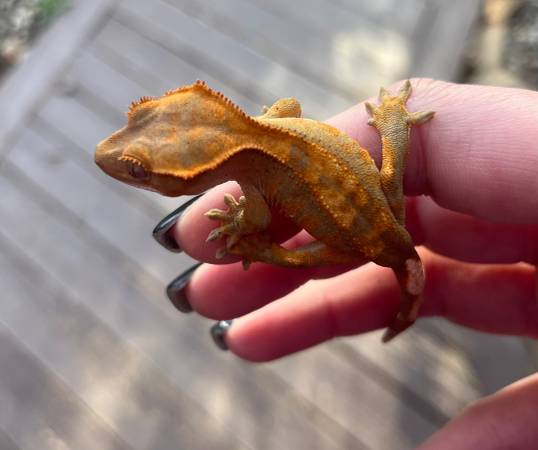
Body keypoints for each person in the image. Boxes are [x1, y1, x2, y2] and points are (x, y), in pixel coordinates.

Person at [154, 78, 538, 449]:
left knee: (295, 257)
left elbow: (255, 219)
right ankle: (394, 124)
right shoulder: (271, 125)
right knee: (390, 182)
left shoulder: (251, 180)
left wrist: (242, 226)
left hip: (362, 239)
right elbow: (290, 104)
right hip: (381, 211)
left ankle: (402, 305)